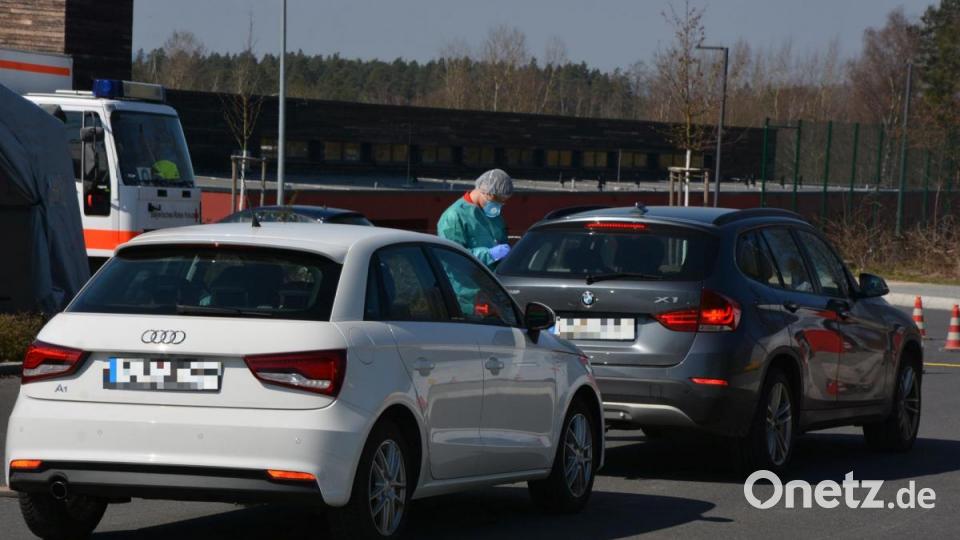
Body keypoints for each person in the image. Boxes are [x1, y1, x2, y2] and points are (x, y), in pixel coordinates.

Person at [437, 169, 513, 268]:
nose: (498, 205)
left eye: (502, 202)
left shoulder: (493, 215)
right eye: (496, 201)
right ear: (485, 192)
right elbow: (452, 256)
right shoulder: (454, 216)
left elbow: (501, 240)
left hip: (490, 275)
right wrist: (489, 255)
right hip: (464, 277)